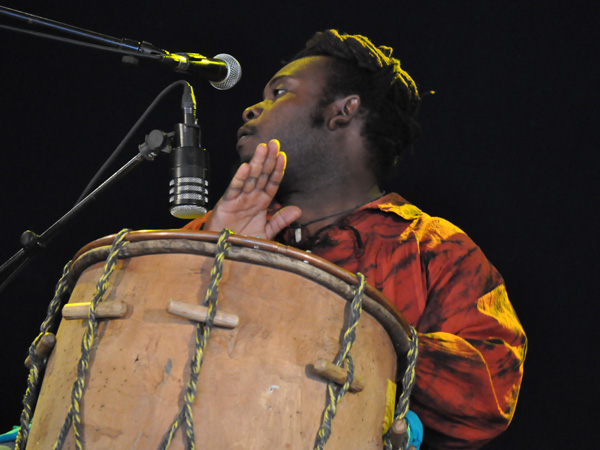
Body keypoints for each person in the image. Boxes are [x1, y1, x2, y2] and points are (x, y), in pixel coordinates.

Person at [184, 30, 527, 449]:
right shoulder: (218, 227)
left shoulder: (433, 248)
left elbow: (488, 390)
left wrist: (348, 328)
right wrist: (220, 251)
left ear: (342, 112)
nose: (252, 107)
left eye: (279, 92)